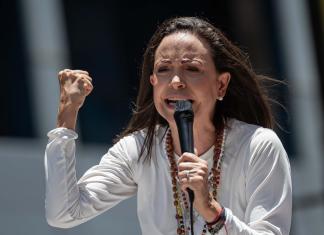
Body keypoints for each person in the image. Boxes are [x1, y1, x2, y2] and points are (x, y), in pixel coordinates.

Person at [44, 17, 292, 235]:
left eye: (191, 68)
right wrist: (67, 115)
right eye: (163, 69)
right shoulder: (140, 149)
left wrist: (212, 210)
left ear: (221, 85)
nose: (175, 81)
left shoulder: (258, 146)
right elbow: (63, 213)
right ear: (153, 82)